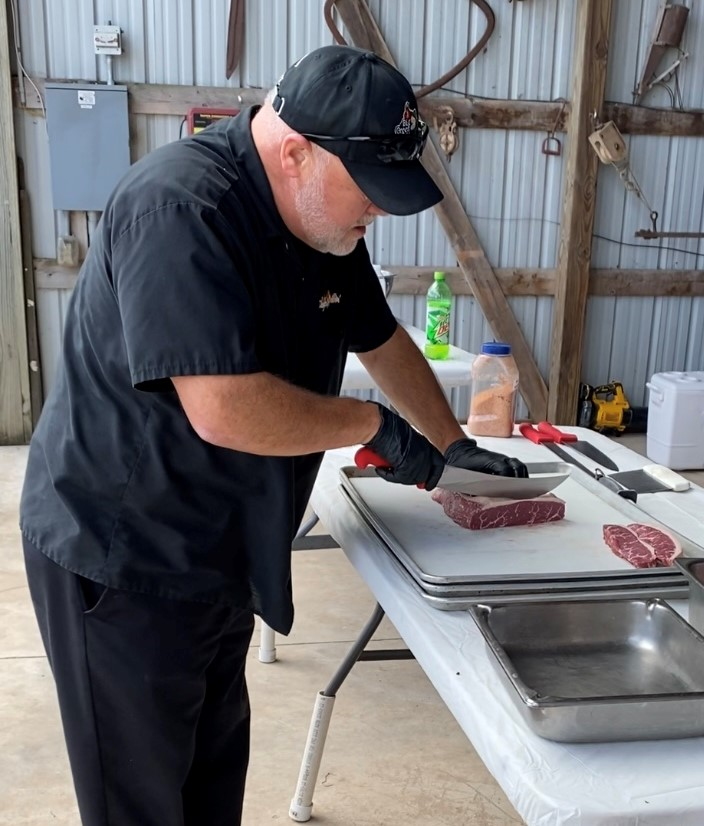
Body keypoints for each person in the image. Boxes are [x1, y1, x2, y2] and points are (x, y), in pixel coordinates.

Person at [19, 44, 528, 826]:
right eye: (371, 190)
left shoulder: (326, 223)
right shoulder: (181, 210)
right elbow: (223, 408)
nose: (380, 212)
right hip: (123, 554)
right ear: (294, 151)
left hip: (218, 547)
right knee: (142, 800)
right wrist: (371, 427)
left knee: (209, 781)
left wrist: (451, 441)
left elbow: (379, 337)